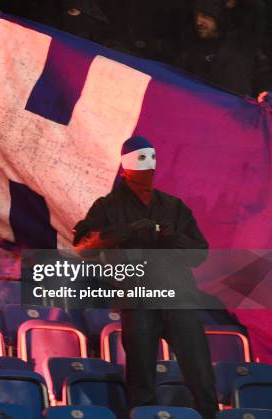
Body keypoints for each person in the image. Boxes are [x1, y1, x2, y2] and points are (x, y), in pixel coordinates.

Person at [72, 136, 218, 419]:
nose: (149, 166)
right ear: (124, 167)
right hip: (138, 300)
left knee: (201, 376)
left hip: (179, 298)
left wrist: (171, 236)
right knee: (141, 379)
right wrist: (125, 232)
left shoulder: (173, 207)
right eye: (141, 159)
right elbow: (83, 246)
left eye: (151, 158)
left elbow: (200, 253)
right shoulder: (108, 207)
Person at [176, 0, 254, 96]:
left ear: (218, 17)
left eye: (205, 16)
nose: (198, 22)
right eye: (195, 16)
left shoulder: (237, 53)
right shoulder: (189, 53)